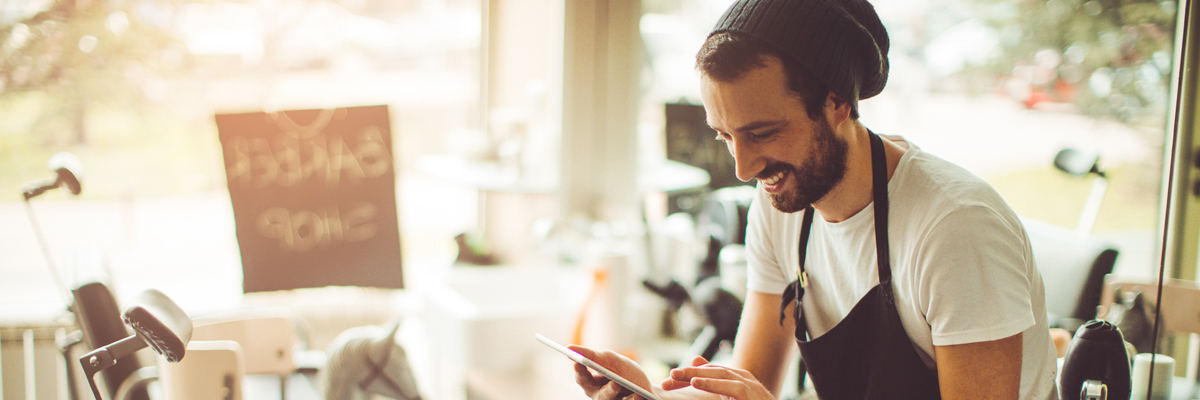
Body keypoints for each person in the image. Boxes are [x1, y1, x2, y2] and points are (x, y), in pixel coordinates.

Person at [567, 0, 1060, 399]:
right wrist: (652, 393)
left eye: (762, 132)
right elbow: (750, 384)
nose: (744, 169)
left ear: (838, 102)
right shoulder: (782, 203)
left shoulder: (954, 229)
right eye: (725, 136)